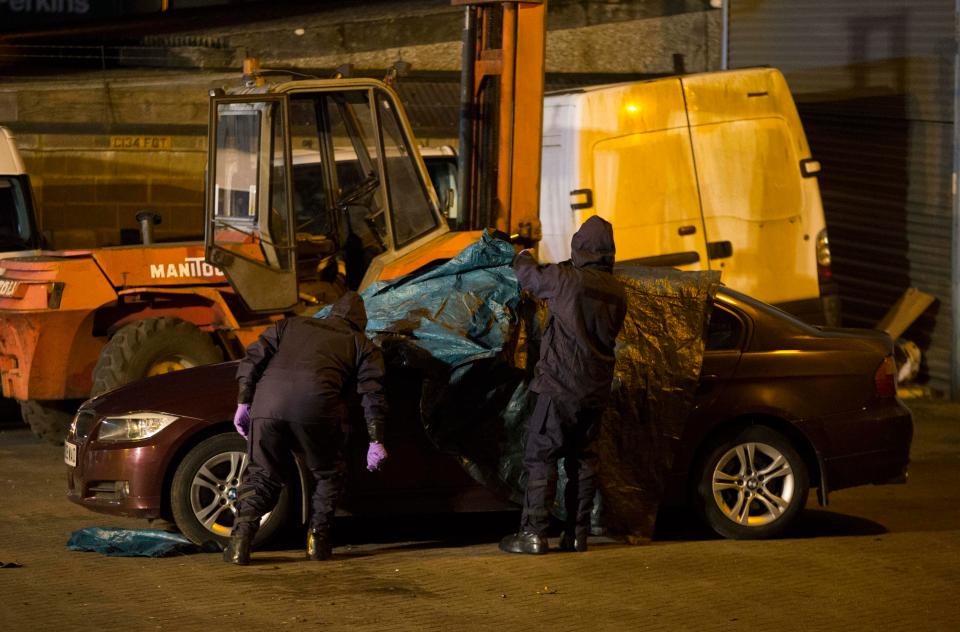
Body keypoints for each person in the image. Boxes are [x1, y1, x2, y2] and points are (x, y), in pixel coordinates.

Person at [224, 291, 388, 565]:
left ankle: (240, 543)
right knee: (327, 474)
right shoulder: (361, 344)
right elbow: (374, 394)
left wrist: (243, 400)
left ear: (332, 313)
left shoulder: (290, 325)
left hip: (267, 405)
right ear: (361, 322)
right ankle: (317, 543)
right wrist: (376, 439)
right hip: (315, 408)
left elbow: (253, 358)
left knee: (262, 474)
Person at [500, 215, 627, 555]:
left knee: (541, 456)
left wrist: (522, 253)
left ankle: (533, 534)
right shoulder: (617, 292)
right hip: (595, 390)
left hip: (560, 386)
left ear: (579, 247)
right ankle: (576, 535)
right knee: (583, 461)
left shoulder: (568, 280)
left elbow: (529, 277)